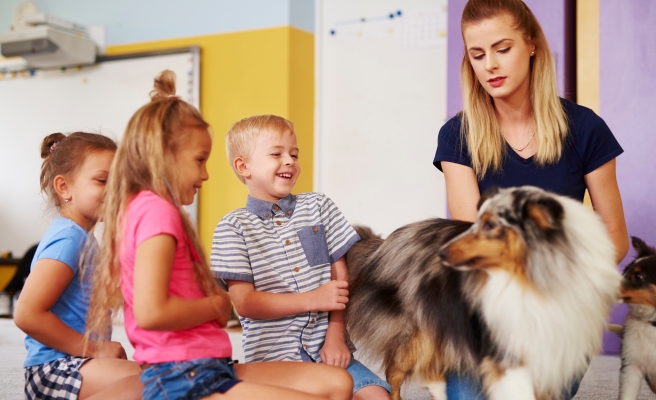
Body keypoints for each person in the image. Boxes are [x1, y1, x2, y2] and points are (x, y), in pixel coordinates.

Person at [85, 71, 353, 400]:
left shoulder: (144, 208)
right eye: (199, 160)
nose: (206, 174)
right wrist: (217, 304)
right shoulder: (158, 213)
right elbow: (150, 312)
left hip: (209, 365)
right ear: (165, 155)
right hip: (187, 374)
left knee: (338, 383)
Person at [433, 0, 629, 398]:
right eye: (478, 54)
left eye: (502, 49)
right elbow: (475, 236)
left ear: (532, 45)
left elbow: (615, 237)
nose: (490, 65)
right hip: (485, 308)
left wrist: (553, 291)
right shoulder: (457, 134)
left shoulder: (585, 127)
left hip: (557, 310)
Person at [210, 115, 392, 400]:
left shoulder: (319, 205)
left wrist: (335, 337)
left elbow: (339, 276)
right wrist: (313, 299)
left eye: (294, 154)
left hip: (327, 349)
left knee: (377, 396)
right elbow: (245, 303)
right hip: (273, 361)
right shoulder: (232, 227)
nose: (289, 161)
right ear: (243, 166)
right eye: (276, 154)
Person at [14, 132, 143, 399]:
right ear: (64, 187)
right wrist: (96, 349)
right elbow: (27, 313)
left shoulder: (81, 237)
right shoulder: (69, 238)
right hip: (55, 369)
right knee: (158, 384)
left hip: (75, 361)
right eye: (103, 180)